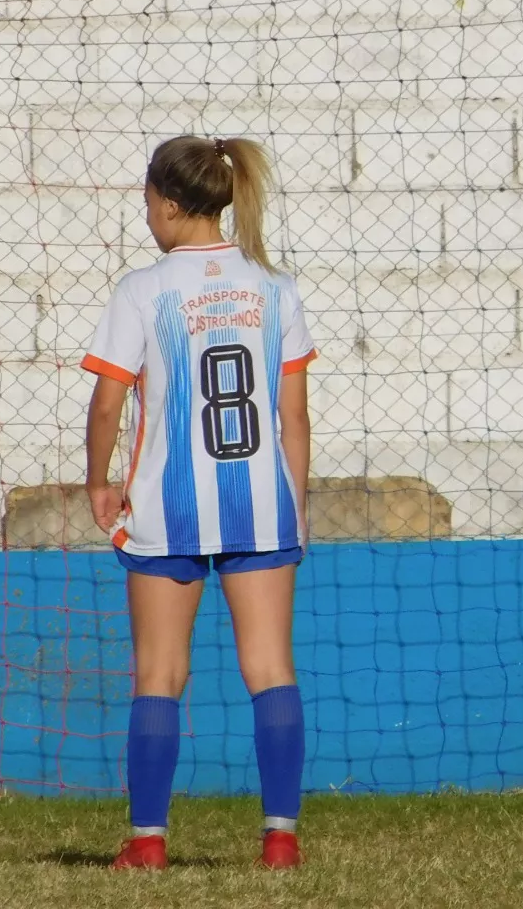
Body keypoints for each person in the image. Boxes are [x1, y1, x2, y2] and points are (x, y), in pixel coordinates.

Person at [81, 135, 316, 869]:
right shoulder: (275, 287)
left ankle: (148, 842)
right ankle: (281, 839)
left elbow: (107, 402)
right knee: (271, 668)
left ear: (173, 204)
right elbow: (295, 416)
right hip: (261, 504)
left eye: (148, 199)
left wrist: (98, 481)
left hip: (167, 508)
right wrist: (295, 505)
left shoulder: (143, 290)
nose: (146, 212)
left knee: (159, 674)